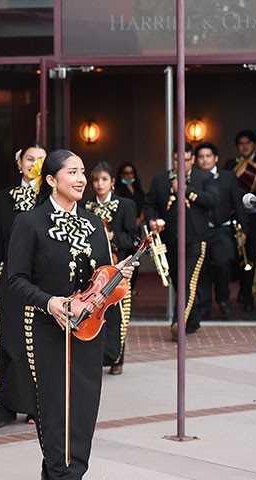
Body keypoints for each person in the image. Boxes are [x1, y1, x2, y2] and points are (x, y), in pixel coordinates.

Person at [7, 149, 137, 479]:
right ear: (51, 180)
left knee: (81, 414)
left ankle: (68, 474)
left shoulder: (94, 223)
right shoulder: (29, 222)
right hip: (45, 329)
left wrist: (118, 276)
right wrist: (49, 302)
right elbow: (16, 281)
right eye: (72, 173)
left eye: (83, 172)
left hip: (87, 332)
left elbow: (102, 280)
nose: (81, 179)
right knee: (54, 414)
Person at [0, 142, 46, 428]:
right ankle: (2, 408)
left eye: (41, 160)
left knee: (37, 344)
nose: (34, 164)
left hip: (42, 281)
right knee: (7, 341)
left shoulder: (50, 198)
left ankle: (34, 407)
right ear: (19, 163)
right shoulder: (4, 197)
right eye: (29, 159)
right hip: (9, 279)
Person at [143, 143, 219, 340]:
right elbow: (149, 203)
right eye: (177, 160)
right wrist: (151, 220)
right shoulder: (161, 179)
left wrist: (187, 190)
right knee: (178, 281)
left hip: (196, 239)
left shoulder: (205, 177)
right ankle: (192, 321)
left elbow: (213, 200)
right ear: (172, 159)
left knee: (187, 281)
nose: (181, 164)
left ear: (192, 159)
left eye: (185, 160)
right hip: (170, 240)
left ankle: (179, 324)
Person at [83, 162, 138, 375]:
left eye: (104, 179)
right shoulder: (86, 206)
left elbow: (133, 238)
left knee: (120, 313)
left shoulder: (125, 204)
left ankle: (117, 359)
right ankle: (97, 357)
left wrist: (114, 237)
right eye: (96, 179)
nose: (99, 184)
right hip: (95, 270)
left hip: (119, 268)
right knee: (95, 310)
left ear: (112, 182)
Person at [194, 142, 249, 320]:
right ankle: (204, 304)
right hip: (199, 231)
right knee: (200, 269)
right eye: (201, 157)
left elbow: (237, 203)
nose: (205, 160)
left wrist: (244, 228)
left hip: (222, 229)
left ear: (215, 158)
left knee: (223, 262)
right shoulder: (192, 178)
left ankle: (223, 297)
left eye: (208, 156)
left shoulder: (228, 176)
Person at [223, 129, 256, 312]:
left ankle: (249, 295)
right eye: (241, 143)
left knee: (254, 255)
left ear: (254, 145)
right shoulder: (230, 165)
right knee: (235, 254)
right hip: (236, 214)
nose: (244, 146)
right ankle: (237, 290)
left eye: (248, 143)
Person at [114, 162, 146, 293]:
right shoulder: (119, 189)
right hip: (123, 228)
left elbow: (144, 204)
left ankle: (132, 287)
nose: (128, 176)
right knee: (124, 257)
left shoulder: (137, 188)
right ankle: (124, 288)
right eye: (126, 173)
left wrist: (141, 219)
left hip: (136, 227)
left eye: (131, 173)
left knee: (135, 256)